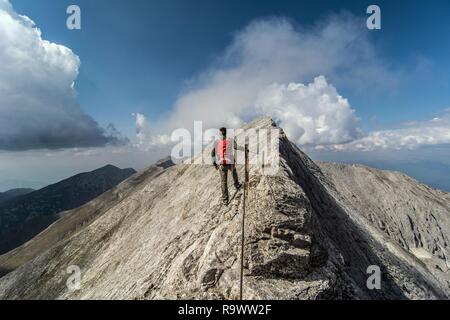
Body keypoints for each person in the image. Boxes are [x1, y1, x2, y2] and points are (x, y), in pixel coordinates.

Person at [211, 127, 242, 205]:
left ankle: (225, 200)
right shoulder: (230, 139)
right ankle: (237, 185)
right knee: (234, 172)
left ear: (220, 133)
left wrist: (214, 164)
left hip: (222, 164)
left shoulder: (217, 142)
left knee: (223, 182)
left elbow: (212, 153)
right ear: (226, 132)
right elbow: (236, 147)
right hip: (230, 162)